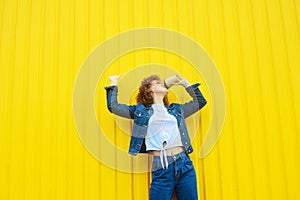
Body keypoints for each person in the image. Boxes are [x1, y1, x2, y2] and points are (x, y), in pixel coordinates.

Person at [105, 74, 207, 200]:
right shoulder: (140, 111)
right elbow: (113, 107)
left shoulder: (176, 109)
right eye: (158, 83)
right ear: (149, 90)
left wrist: (185, 84)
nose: (163, 84)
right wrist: (113, 82)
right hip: (162, 167)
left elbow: (200, 102)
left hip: (184, 164)